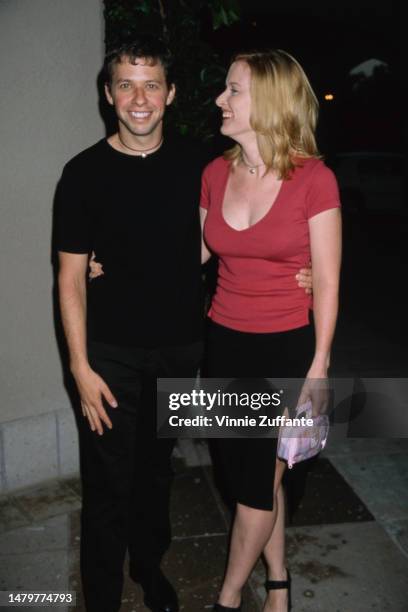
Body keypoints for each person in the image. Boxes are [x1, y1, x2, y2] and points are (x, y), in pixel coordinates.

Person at [55, 37, 313, 612]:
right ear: (108, 94)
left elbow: (257, 222)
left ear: (170, 94)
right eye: (125, 84)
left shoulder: (208, 165)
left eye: (151, 84)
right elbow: (69, 277)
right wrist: (78, 365)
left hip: (183, 348)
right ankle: (100, 594)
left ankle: (149, 570)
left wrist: (308, 269)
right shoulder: (82, 173)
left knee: (156, 474)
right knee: (106, 484)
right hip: (108, 353)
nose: (138, 98)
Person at [199, 49, 342, 612]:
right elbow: (185, 257)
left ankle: (229, 598)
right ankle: (278, 582)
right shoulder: (214, 173)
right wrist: (102, 261)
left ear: (270, 102)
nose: (220, 100)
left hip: (286, 345)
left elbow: (328, 280)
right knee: (249, 480)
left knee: (258, 483)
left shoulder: (315, 179)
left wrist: (320, 364)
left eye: (233, 90)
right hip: (224, 342)